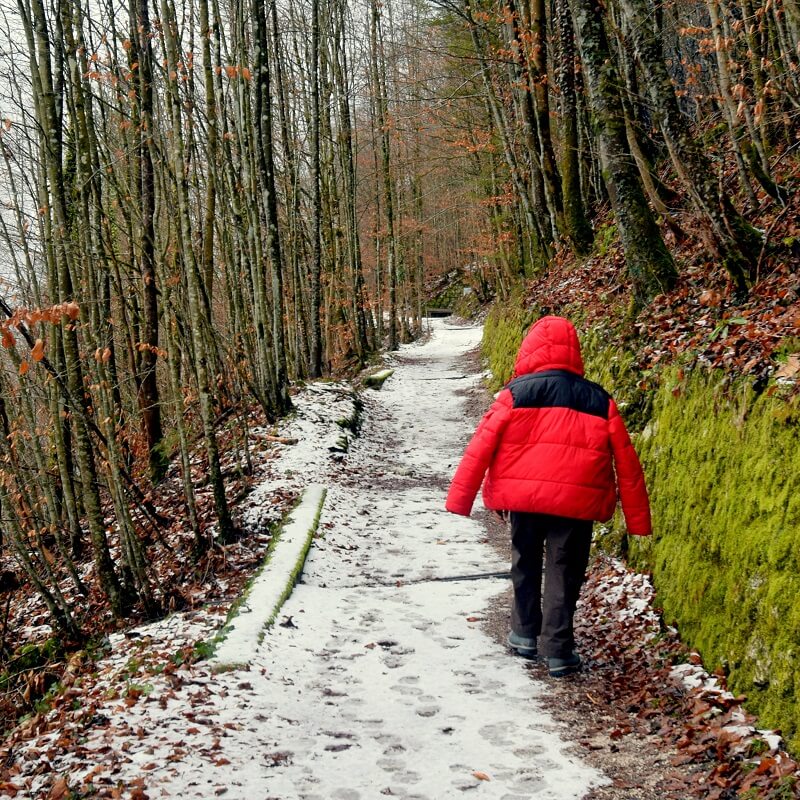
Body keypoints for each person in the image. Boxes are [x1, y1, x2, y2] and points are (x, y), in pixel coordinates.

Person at [445, 315, 652, 677]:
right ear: (575, 352)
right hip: (576, 503)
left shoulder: (515, 393)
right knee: (564, 569)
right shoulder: (598, 399)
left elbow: (480, 447)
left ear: (530, 349)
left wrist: (464, 499)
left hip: (524, 499)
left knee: (524, 561)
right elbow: (628, 465)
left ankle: (523, 635)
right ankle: (559, 650)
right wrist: (637, 519)